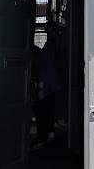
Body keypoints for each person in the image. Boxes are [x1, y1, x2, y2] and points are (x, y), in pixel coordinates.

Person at [32, 20, 61, 149]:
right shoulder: (52, 45)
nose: (48, 34)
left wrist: (42, 87)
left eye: (49, 31)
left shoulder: (52, 47)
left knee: (42, 111)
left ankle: (43, 137)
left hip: (48, 85)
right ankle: (49, 134)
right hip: (52, 85)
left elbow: (45, 66)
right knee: (48, 110)